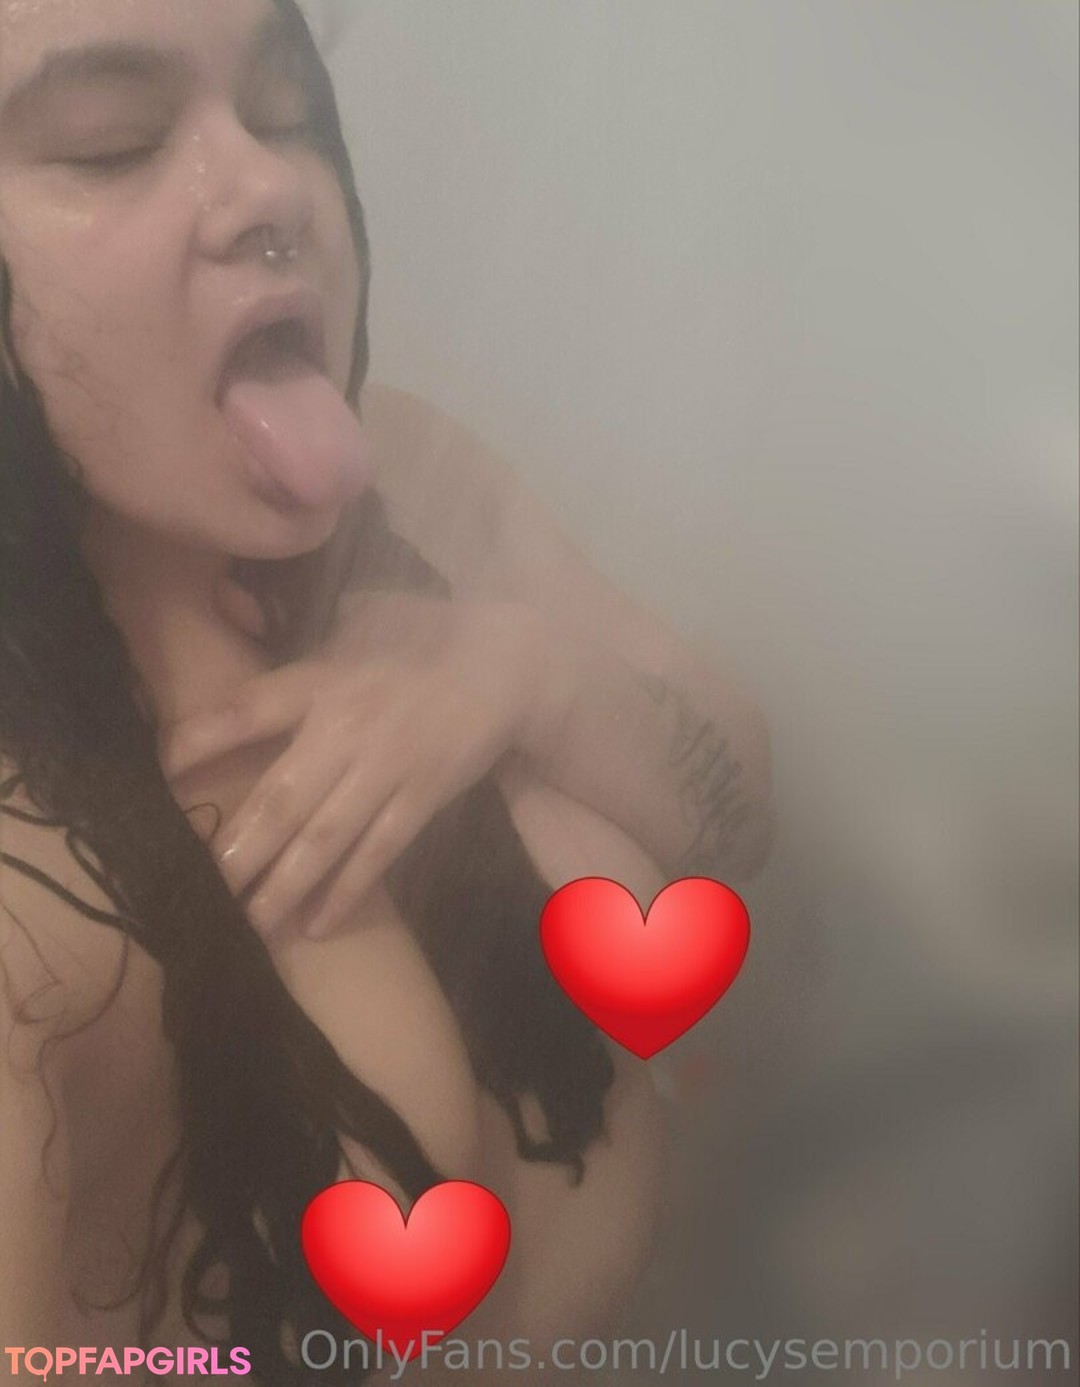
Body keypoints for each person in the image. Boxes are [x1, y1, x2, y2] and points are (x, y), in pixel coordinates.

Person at [0, 1, 772, 1381]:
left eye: (288, 111)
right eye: (114, 143)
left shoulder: (408, 473)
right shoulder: (29, 903)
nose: (268, 186)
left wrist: (526, 675)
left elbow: (739, 814)